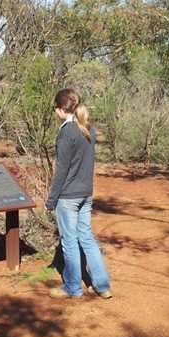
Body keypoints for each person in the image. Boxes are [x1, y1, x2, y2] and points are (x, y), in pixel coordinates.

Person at [45, 88, 113, 299]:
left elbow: (62, 170)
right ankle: (102, 286)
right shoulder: (87, 128)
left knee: (69, 241)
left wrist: (51, 199)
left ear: (60, 109)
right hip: (86, 193)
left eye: (56, 109)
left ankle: (73, 287)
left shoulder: (66, 132)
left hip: (68, 196)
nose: (56, 113)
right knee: (87, 238)